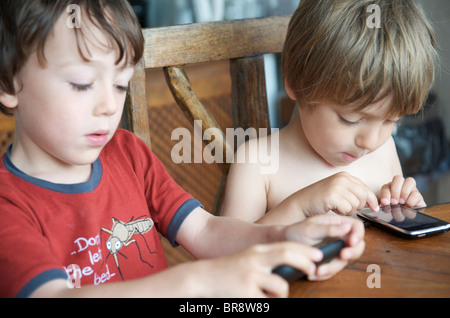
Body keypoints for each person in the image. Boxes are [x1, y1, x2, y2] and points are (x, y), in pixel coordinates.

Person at [0, 0, 365, 298]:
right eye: (82, 84)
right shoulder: (7, 202)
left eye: (121, 85)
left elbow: (204, 231)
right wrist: (197, 283)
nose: (109, 106)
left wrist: (281, 237)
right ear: (9, 84)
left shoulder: (127, 153)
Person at [222, 0, 438, 225]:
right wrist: (299, 207)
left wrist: (408, 213)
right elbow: (230, 256)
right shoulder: (257, 163)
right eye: (350, 119)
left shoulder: (384, 151)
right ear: (297, 85)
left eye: (391, 120)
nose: (371, 142)